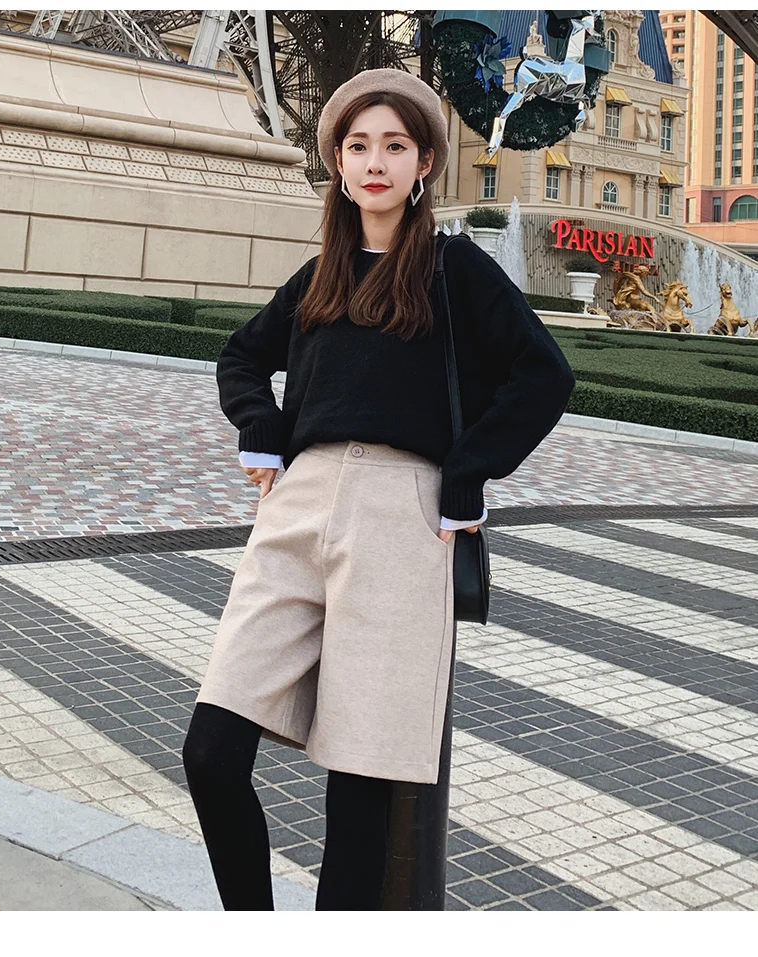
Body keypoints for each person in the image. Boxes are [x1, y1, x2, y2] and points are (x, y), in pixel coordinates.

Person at [182, 67, 576, 912]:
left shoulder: (454, 269)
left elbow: (544, 374)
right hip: (298, 509)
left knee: (358, 794)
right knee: (210, 750)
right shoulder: (318, 275)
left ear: (424, 162)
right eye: (358, 146)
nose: (374, 162)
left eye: (395, 146)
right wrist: (260, 428)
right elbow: (241, 357)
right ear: (337, 161)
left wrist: (466, 472)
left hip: (402, 517)